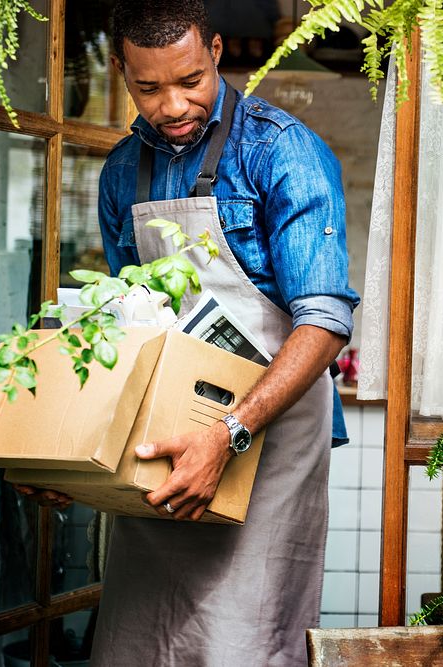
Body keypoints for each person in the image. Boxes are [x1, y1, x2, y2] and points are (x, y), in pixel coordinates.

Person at [83, 1, 358, 664]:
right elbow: (130, 324)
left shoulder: (279, 151)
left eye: (191, 81)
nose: (173, 105)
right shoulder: (121, 172)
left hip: (268, 442)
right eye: (148, 88)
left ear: (214, 49)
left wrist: (227, 433)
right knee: (136, 646)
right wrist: (72, 454)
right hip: (169, 450)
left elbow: (324, 322)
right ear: (122, 72)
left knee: (244, 642)